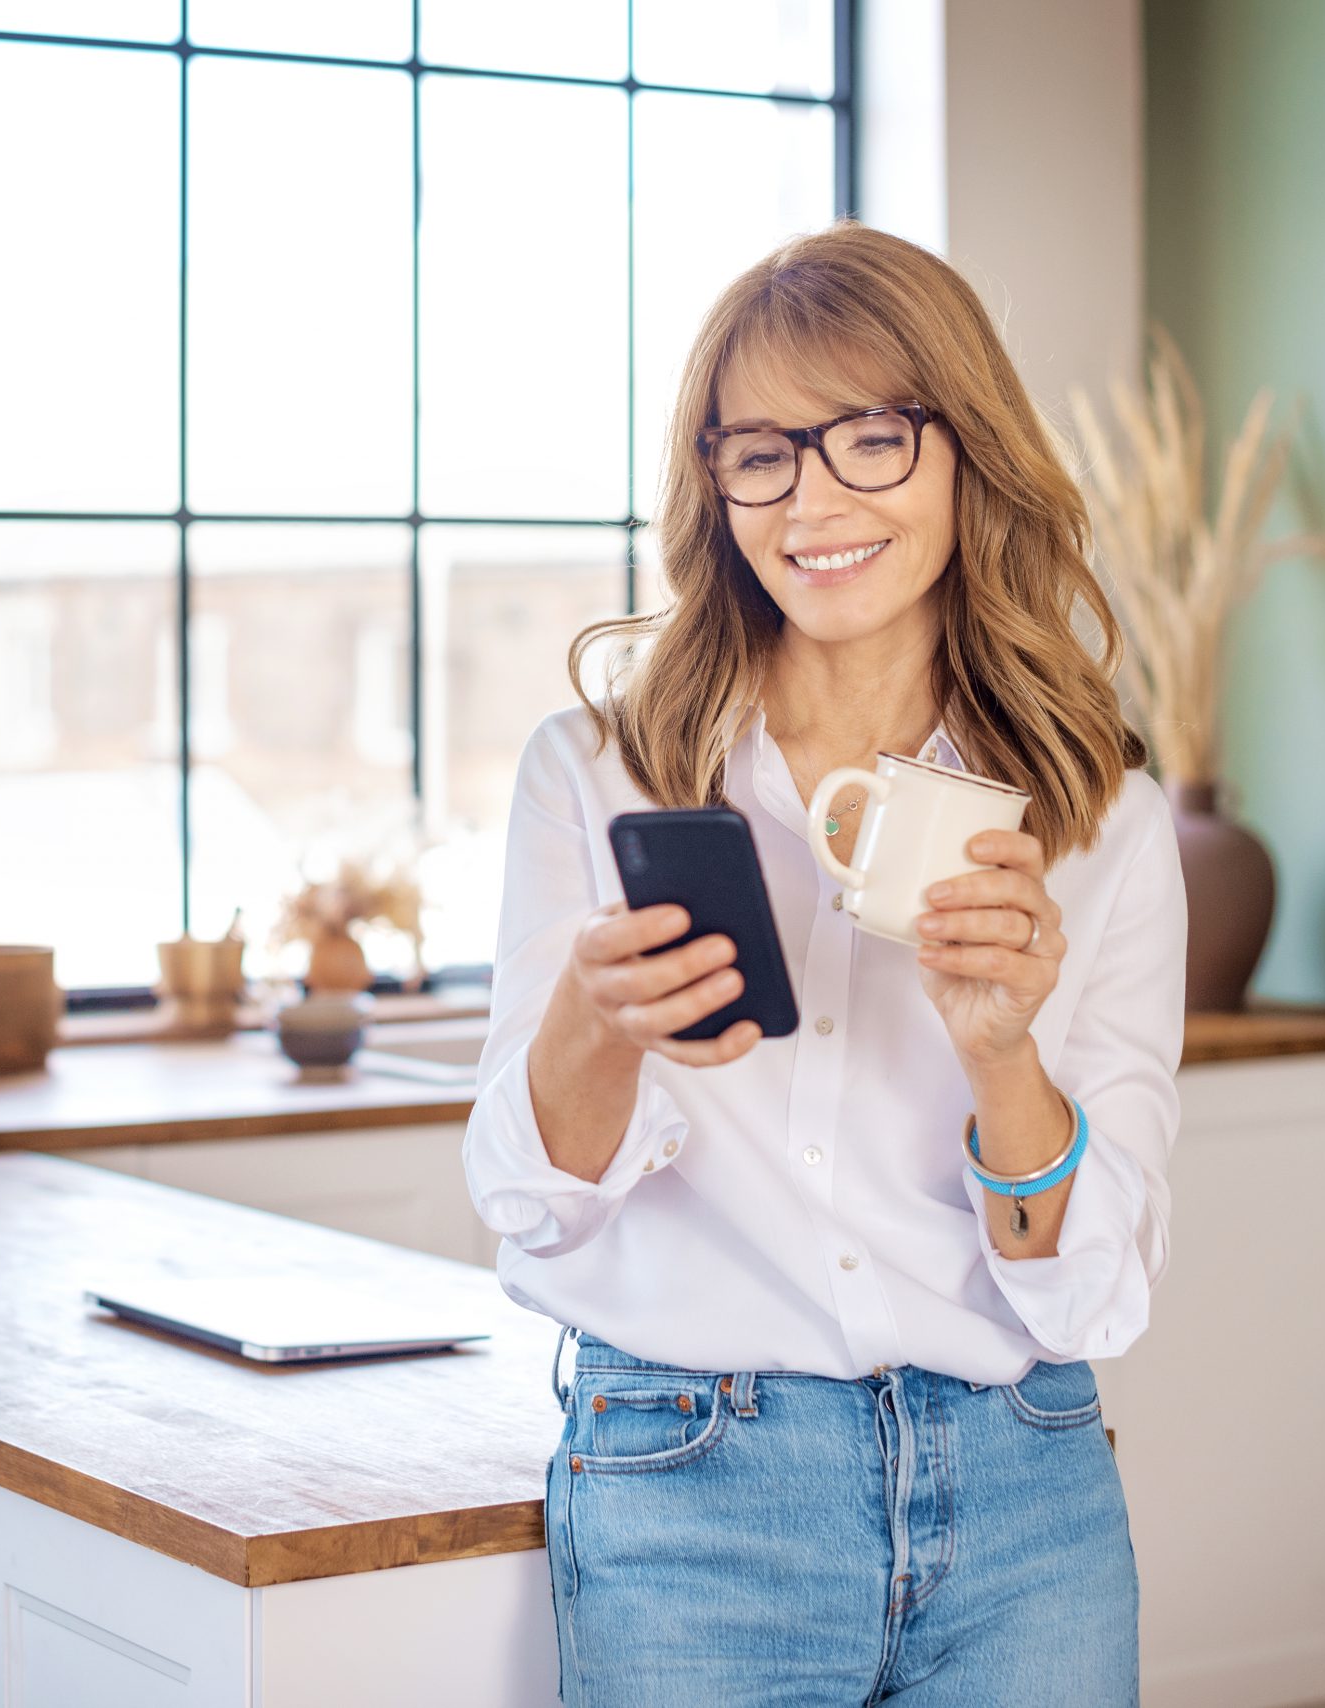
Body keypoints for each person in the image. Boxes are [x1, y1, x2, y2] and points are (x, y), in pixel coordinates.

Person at [460, 219, 1187, 1705]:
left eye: (871, 438)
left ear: (964, 450)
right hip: (693, 1486)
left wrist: (1002, 1051)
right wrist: (599, 1027)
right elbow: (526, 1204)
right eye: (763, 454)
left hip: (1024, 1494)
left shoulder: (1100, 816)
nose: (815, 500)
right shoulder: (598, 775)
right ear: (714, 485)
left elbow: (1094, 1291)